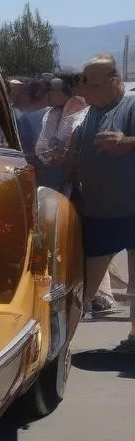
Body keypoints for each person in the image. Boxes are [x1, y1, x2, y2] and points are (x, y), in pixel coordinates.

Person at [64, 54, 135, 351]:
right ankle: (61, 344)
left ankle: (133, 338)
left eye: (90, 84)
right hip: (99, 210)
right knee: (84, 284)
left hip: (131, 208)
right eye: (82, 83)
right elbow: (78, 151)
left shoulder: (130, 106)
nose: (84, 91)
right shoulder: (91, 111)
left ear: (114, 82)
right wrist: (67, 159)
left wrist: (126, 143)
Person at [34, 72, 88, 193]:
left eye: (49, 92)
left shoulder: (79, 110)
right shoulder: (52, 113)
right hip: (54, 178)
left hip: (71, 182)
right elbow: (44, 148)